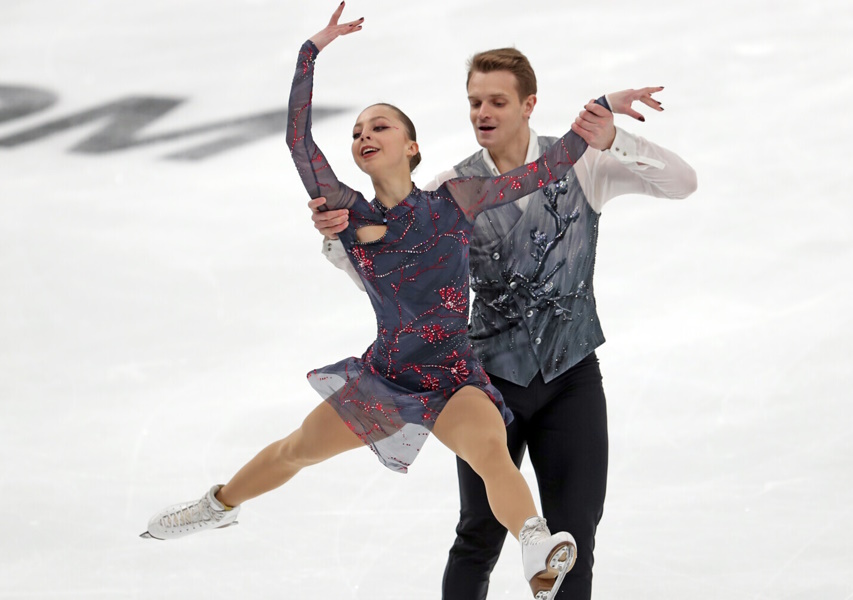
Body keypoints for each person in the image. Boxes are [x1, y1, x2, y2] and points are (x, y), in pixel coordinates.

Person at [141, 5, 615, 599]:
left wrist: (602, 110)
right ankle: (217, 505)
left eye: (380, 126)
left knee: (492, 452)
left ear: (412, 146)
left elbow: (545, 169)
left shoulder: (456, 199)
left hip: (455, 378)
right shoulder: (346, 212)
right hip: (387, 378)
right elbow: (297, 140)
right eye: (357, 131)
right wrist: (310, 52)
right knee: (297, 450)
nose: (365, 135)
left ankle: (537, 544)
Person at [309, 44, 698, 600]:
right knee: (480, 533)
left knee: (575, 535)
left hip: (572, 377)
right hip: (488, 383)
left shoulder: (581, 163)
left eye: (496, 101)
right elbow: (394, 280)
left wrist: (615, 138)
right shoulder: (450, 190)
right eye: (474, 102)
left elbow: (683, 183)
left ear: (528, 104)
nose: (482, 113)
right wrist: (337, 237)